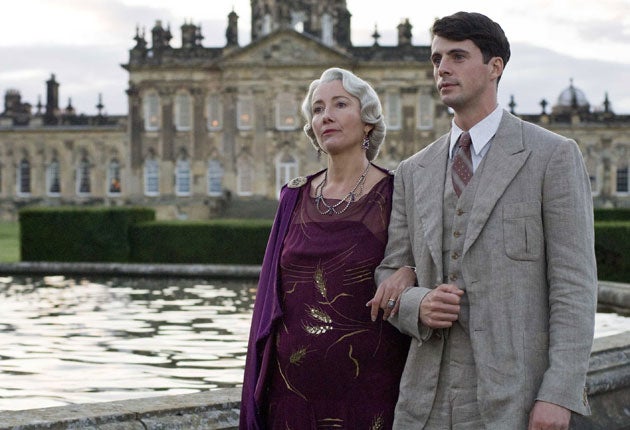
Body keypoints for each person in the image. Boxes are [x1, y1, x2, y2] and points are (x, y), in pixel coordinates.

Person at [372, 11, 597, 430]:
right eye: (437, 59)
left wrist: (558, 394)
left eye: (457, 56)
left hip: (516, 398)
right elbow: (390, 272)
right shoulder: (412, 171)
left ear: (495, 67)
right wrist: (417, 304)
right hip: (425, 402)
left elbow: (574, 287)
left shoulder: (552, 156)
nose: (442, 69)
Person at [240, 67, 415, 429]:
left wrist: (410, 271)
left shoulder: (398, 192)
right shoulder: (293, 196)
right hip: (289, 390)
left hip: (370, 387)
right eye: (318, 110)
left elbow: (429, 262)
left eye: (340, 104)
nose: (327, 116)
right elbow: (267, 302)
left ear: (367, 122)